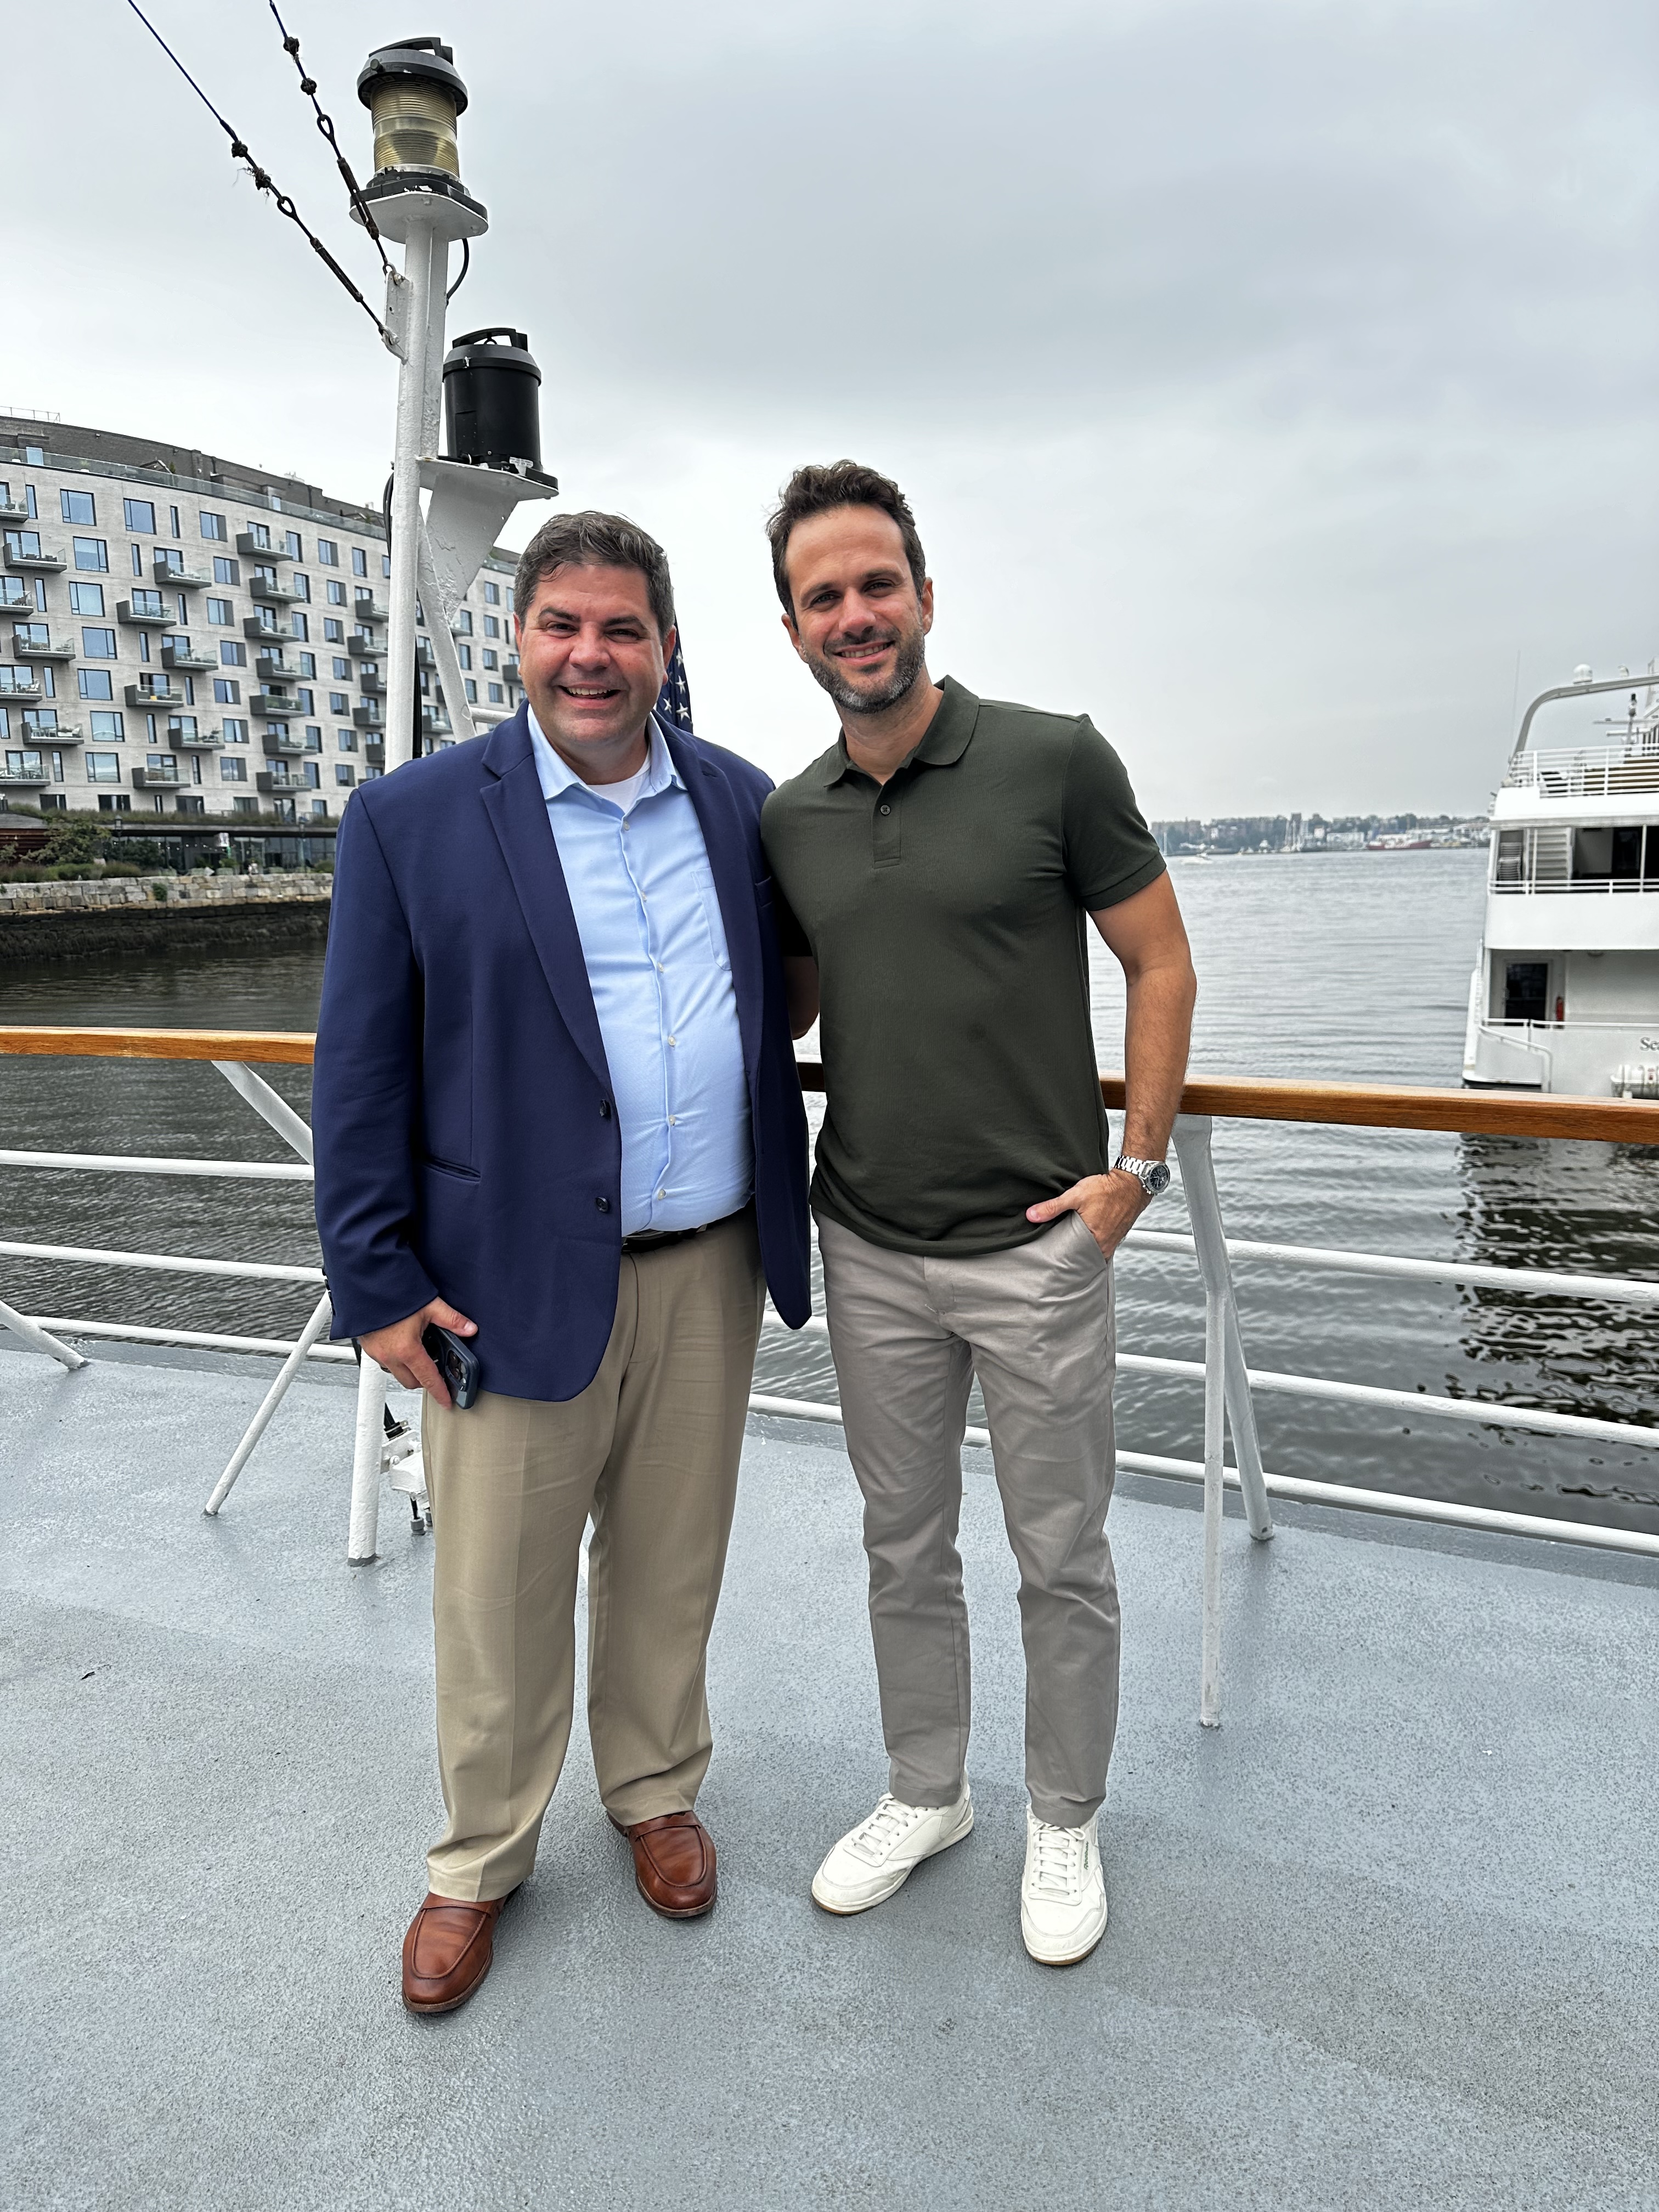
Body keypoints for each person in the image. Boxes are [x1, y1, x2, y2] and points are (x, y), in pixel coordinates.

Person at [312, 511, 811, 2015]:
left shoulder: (741, 802)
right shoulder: (409, 819)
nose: (591, 656)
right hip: (501, 1273)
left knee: (671, 1561)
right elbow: (360, 1070)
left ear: (666, 647)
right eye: (562, 626)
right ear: (519, 639)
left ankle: (654, 1791)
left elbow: (789, 991)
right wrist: (376, 1282)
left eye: (623, 629)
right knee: (497, 1591)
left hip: (708, 1261)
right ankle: (479, 1860)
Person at [759, 461, 1195, 1967]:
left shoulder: (1054, 759)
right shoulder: (790, 818)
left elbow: (1160, 962)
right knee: (902, 1545)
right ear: (794, 631)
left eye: (877, 584)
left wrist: (1134, 1174)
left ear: (926, 597)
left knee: (1061, 1555)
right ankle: (926, 1791)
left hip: (1038, 1248)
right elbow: (790, 1004)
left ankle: (1062, 1817)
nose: (855, 614)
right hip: (869, 1244)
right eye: (824, 596)